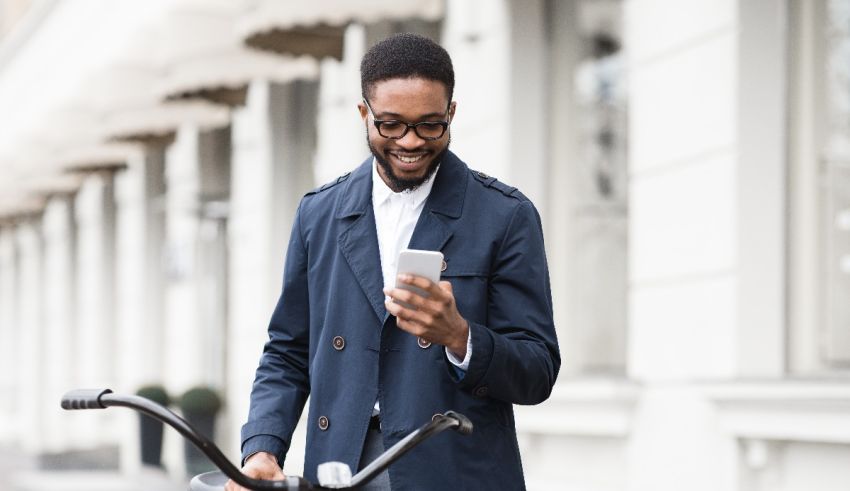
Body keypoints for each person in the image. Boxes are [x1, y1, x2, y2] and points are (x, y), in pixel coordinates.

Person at [226, 33, 560, 491]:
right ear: (364, 114)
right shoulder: (318, 213)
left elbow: (538, 371)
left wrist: (461, 337)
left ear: (451, 114)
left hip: (453, 469)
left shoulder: (505, 215)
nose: (410, 142)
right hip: (340, 467)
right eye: (391, 125)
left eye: (429, 125)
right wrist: (262, 448)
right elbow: (288, 351)